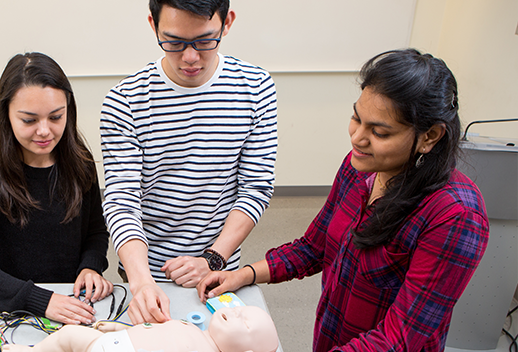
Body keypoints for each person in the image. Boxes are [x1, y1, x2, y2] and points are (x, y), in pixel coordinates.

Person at [197, 49, 490, 351]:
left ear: (429, 136)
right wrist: (244, 274)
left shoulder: (455, 215)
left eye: (379, 131)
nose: (357, 138)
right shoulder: (358, 167)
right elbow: (314, 246)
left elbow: (399, 339)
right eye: (356, 118)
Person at [100, 0, 278, 324]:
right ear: (153, 25)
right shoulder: (125, 100)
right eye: (174, 42)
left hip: (218, 263)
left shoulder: (255, 88)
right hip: (145, 269)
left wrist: (213, 258)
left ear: (227, 23)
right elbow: (122, 199)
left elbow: (255, 188)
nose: (191, 57)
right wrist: (141, 282)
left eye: (205, 41)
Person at [0, 52, 113, 326]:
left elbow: (95, 231)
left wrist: (90, 266)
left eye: (56, 117)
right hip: (9, 306)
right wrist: (41, 301)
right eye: (29, 120)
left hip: (70, 301)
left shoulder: (80, 161)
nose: (45, 131)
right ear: (6, 115)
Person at [1, 305, 279, 352]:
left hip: (112, 347)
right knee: (72, 335)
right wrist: (113, 329)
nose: (232, 310)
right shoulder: (192, 328)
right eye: (238, 308)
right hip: (115, 342)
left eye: (243, 321)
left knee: (68, 337)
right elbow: (146, 329)